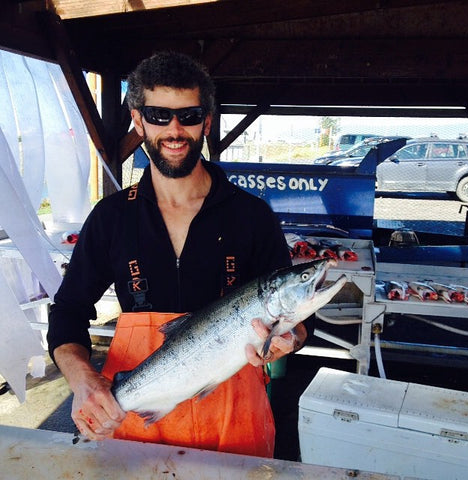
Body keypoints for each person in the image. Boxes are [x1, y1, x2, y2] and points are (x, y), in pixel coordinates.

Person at [47, 51, 307, 457]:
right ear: (137, 119)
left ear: (206, 120)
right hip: (132, 418)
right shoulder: (112, 217)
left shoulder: (252, 216)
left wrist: (291, 339)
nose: (173, 130)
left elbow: (297, 320)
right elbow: (66, 314)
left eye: (188, 116)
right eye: (158, 114)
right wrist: (84, 381)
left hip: (235, 424)